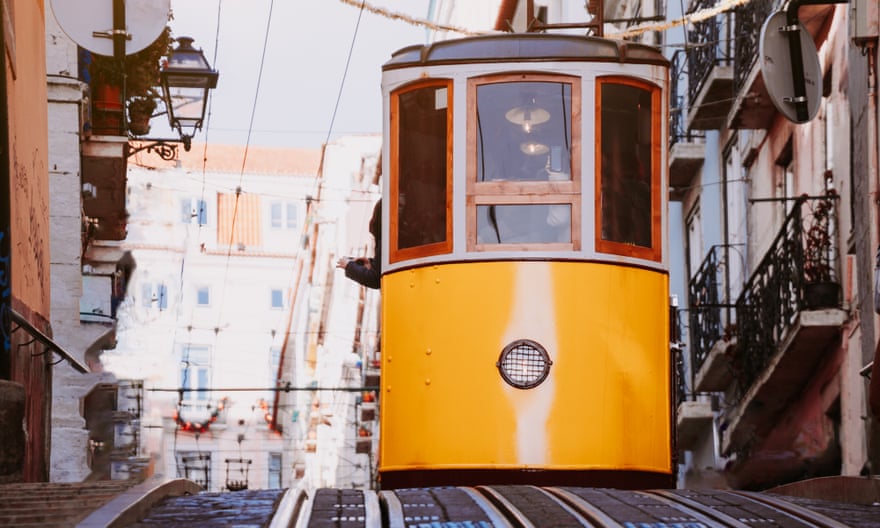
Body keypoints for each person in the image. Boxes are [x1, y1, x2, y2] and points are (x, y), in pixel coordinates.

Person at [336, 199, 381, 289]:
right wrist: (371, 264)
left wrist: (349, 266)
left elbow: (375, 279)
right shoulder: (386, 238)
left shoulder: (386, 238)